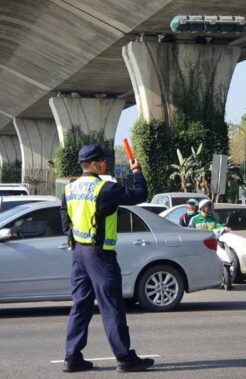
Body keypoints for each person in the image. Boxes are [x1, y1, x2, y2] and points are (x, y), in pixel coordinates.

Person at [60, 144, 154, 373]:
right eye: (102, 161)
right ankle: (125, 358)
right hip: (100, 255)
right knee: (111, 307)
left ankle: (72, 357)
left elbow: (64, 220)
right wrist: (137, 172)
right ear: (93, 164)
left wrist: (77, 237)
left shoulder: (69, 188)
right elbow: (140, 195)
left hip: (79, 253)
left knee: (80, 305)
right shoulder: (105, 189)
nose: (105, 164)